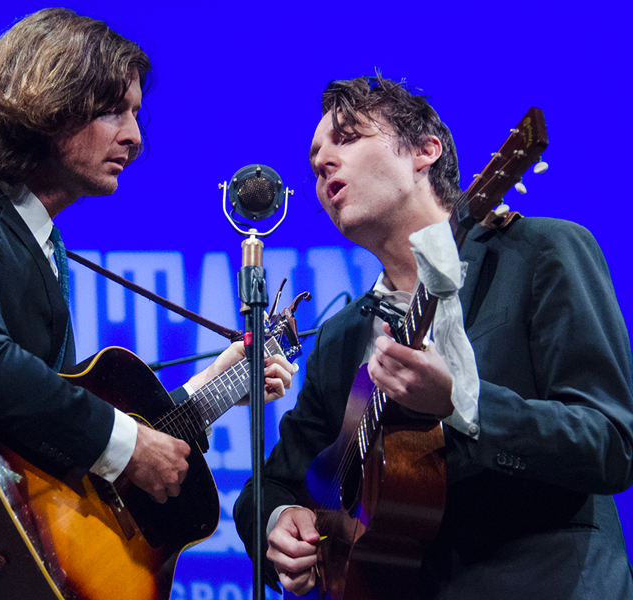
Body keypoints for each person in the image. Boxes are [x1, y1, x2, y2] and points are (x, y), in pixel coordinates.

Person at [0, 8, 296, 600]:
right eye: (112, 111)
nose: (135, 136)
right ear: (47, 106)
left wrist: (208, 392)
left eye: (137, 114)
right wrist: (125, 447)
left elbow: (44, 446)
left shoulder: (40, 240)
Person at [234, 75, 633, 599]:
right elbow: (270, 486)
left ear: (425, 152)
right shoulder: (341, 337)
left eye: (347, 139)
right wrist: (279, 521)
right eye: (315, 161)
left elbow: (612, 443)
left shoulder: (542, 254)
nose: (322, 162)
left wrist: (462, 404)